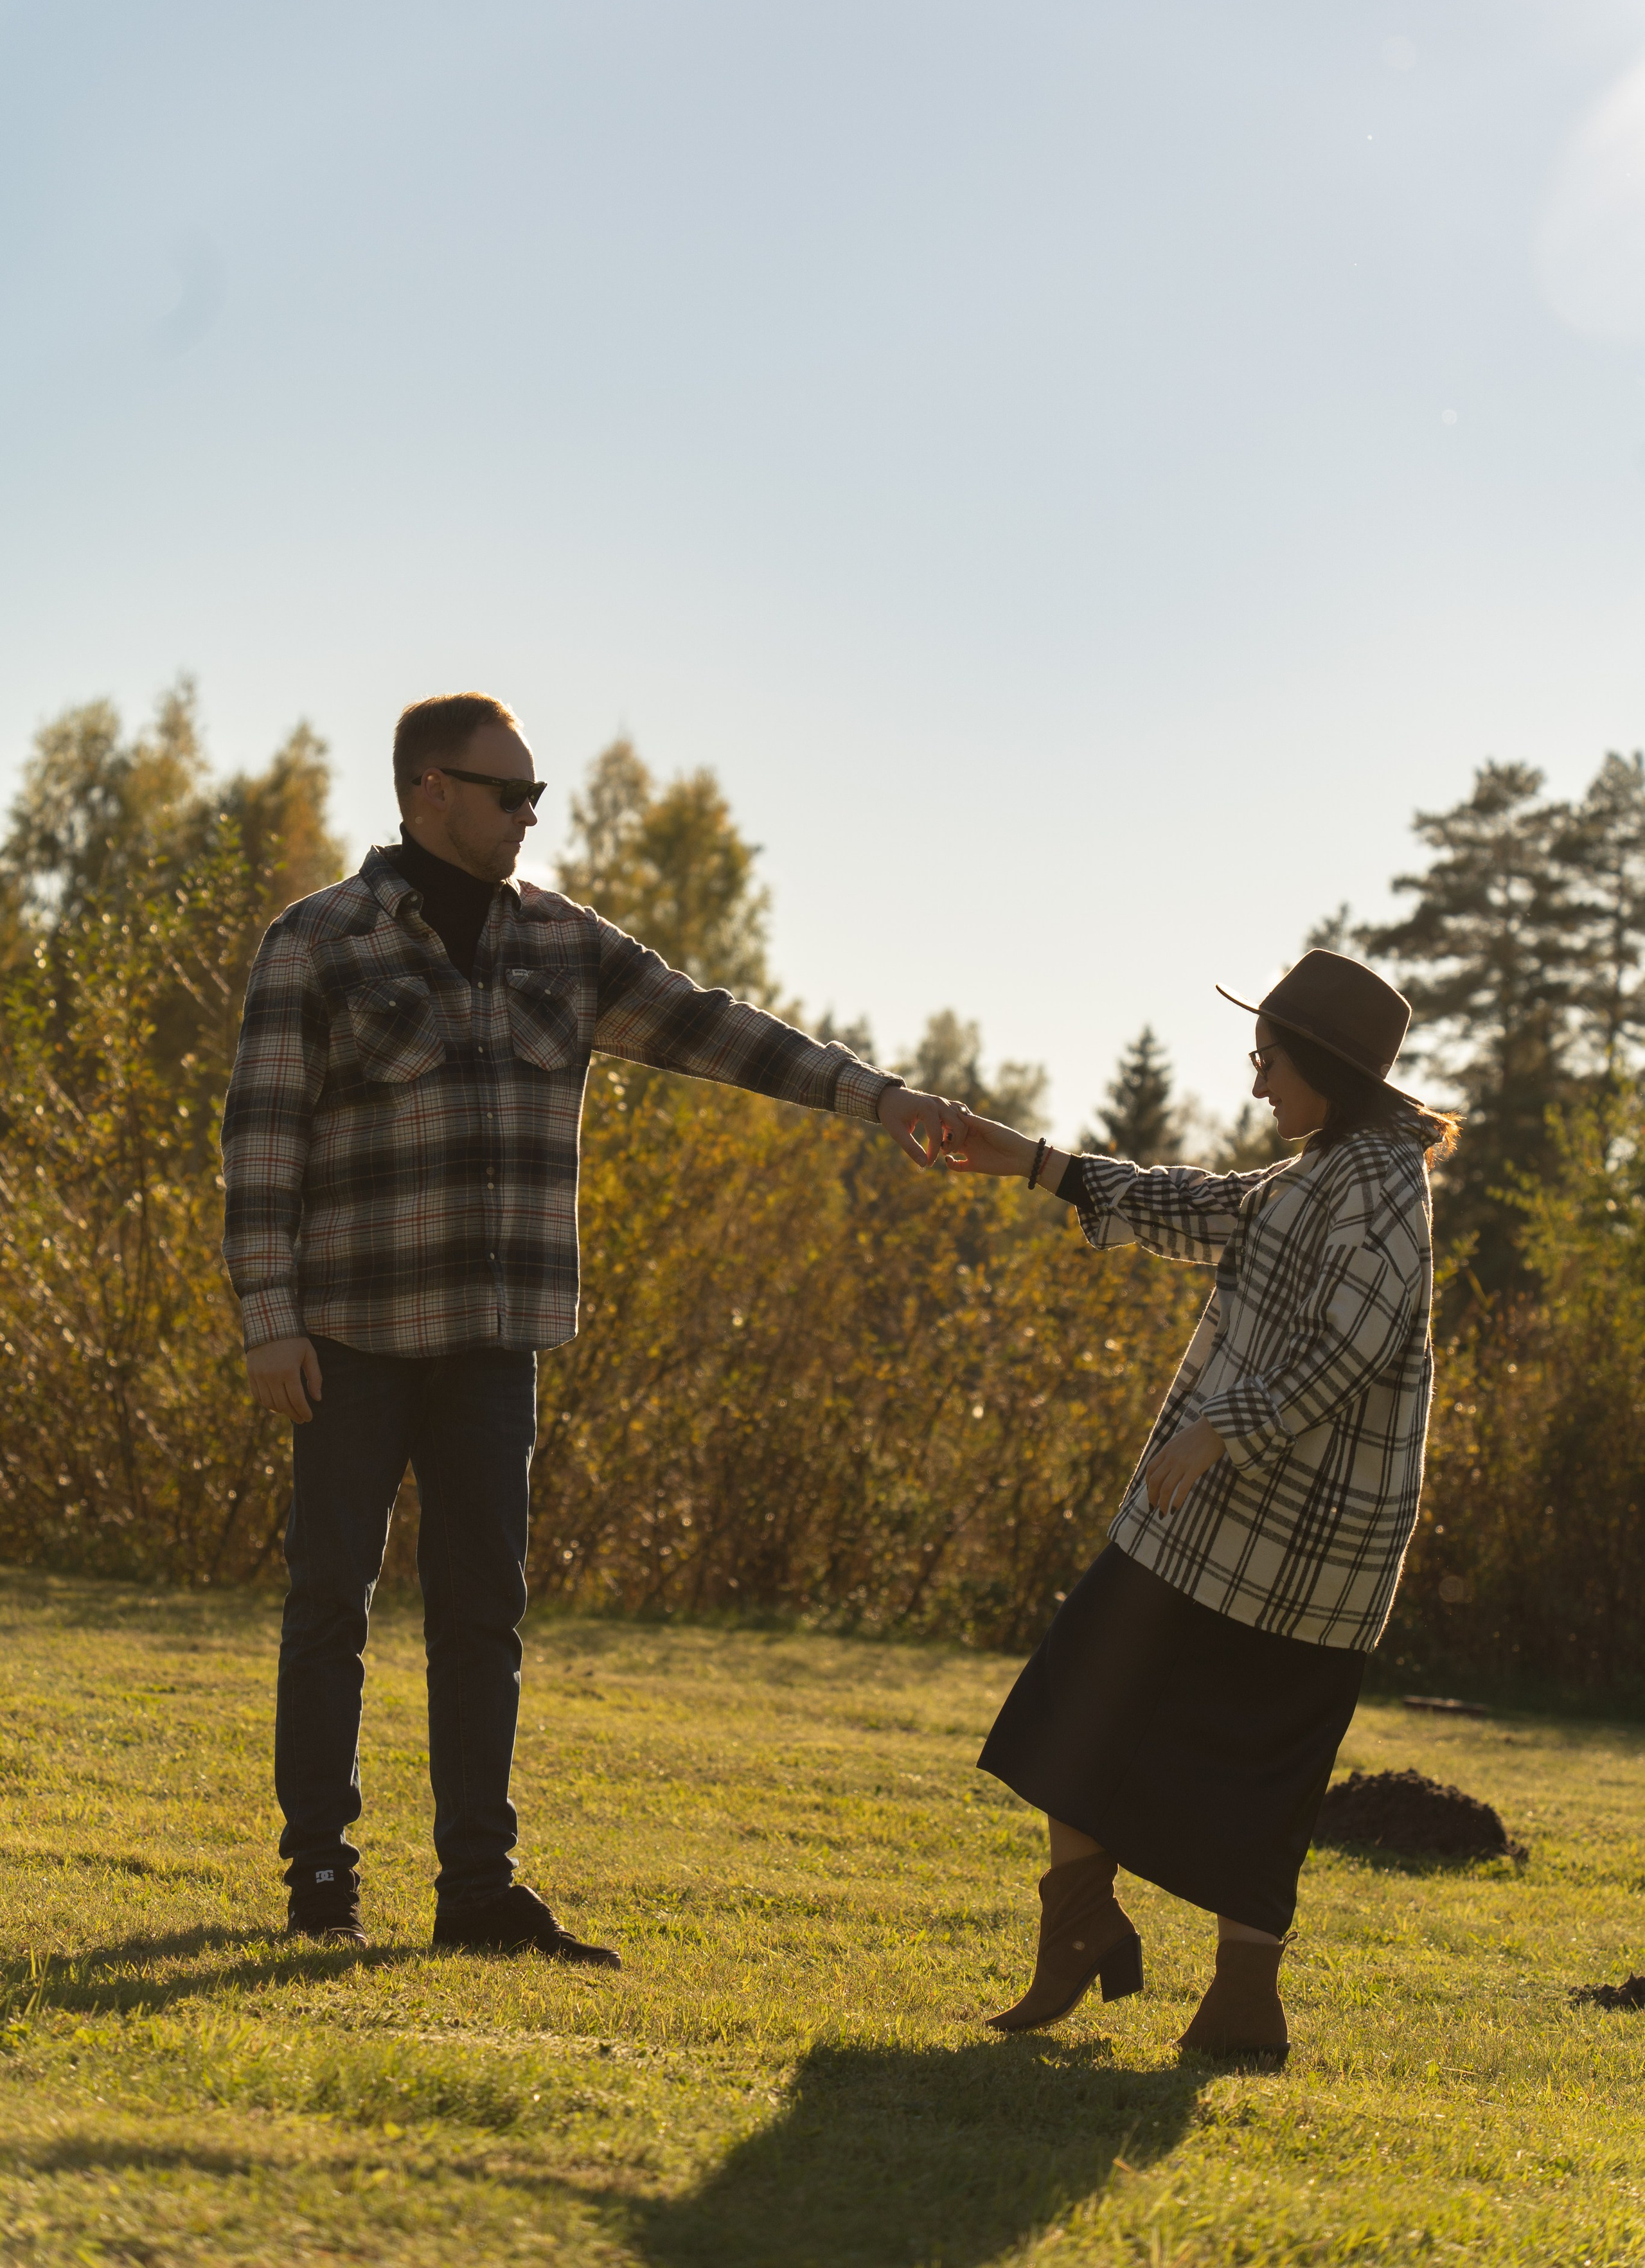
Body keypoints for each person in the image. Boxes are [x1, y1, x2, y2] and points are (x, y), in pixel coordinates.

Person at [221, 690, 955, 1962]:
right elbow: (260, 1143)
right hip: (349, 1337)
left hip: (498, 1346)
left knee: (481, 1618)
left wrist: (870, 1098)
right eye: (506, 795)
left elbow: (716, 1028)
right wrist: (267, 1320)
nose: (526, 816)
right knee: (329, 1603)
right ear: (426, 792)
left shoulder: (565, 947)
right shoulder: (318, 942)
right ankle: (321, 1882)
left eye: (536, 799)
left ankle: (478, 1896)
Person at [944, 950, 1456, 2060]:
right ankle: (1079, 1925)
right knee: (1077, 1692)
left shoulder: (1380, 1184)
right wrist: (1034, 1163)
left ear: (1322, 1060)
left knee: (1265, 1760)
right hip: (1211, 1524)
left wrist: (1232, 1425)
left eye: (1269, 1057)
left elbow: (1362, 1340)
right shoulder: (1321, 1171)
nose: (1257, 1079)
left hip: (1308, 1547)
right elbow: (1206, 1208)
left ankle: (1240, 2007)